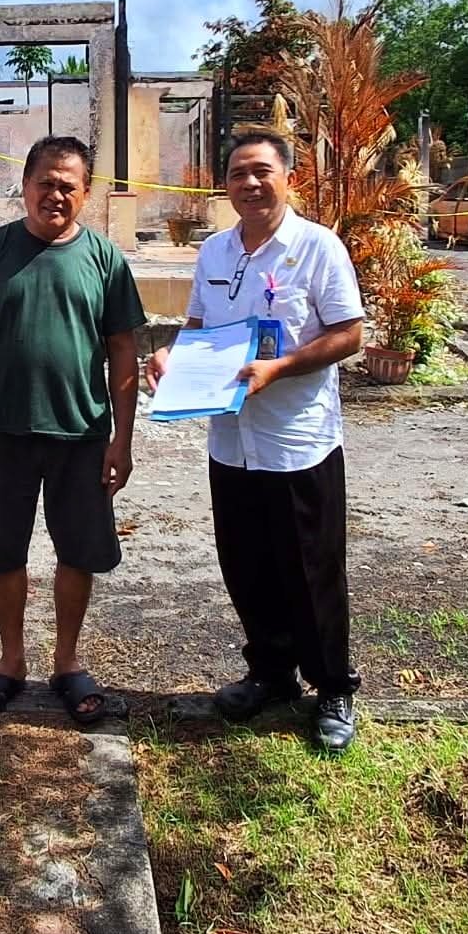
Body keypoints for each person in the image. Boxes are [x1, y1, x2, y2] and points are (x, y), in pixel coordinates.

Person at [147, 130, 365, 753]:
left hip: (297, 443)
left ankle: (333, 687)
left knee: (311, 568)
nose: (250, 182)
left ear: (288, 177)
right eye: (238, 172)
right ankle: (270, 675)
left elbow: (349, 334)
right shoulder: (216, 251)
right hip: (230, 442)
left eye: (262, 170)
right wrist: (171, 355)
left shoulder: (318, 249)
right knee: (247, 566)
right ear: (226, 184)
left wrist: (279, 367)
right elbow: (197, 325)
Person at [0, 135, 146, 727]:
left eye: (69, 184)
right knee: (1, 552)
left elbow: (123, 353)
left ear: (86, 192)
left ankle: (66, 660)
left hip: (82, 434)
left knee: (78, 551)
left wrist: (122, 439)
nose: (55, 194)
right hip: (2, 433)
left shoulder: (106, 260)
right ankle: (11, 661)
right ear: (25, 185)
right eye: (45, 182)